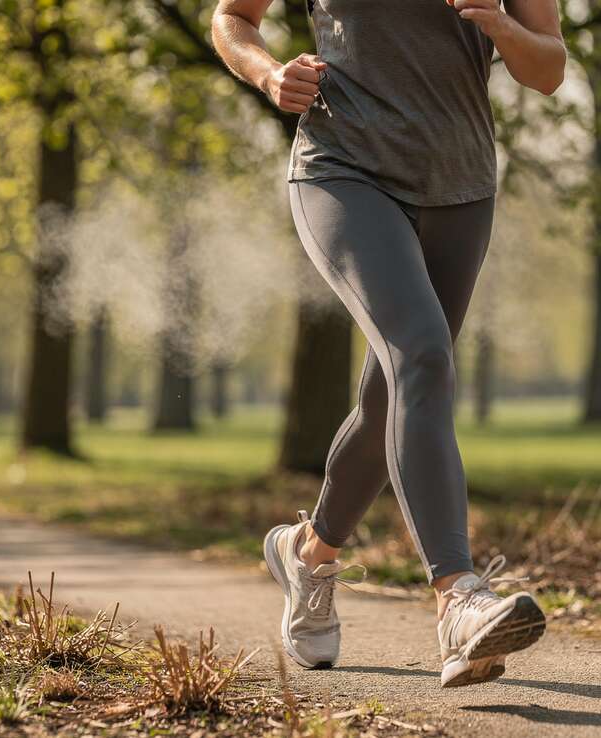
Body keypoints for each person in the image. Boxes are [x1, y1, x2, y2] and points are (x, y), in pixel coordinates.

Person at [212, 0, 566, 688]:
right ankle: (458, 598)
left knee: (393, 398)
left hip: (460, 184)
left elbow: (547, 68)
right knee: (423, 355)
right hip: (343, 168)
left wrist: (498, 25)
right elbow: (232, 17)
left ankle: (309, 554)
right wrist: (267, 74)